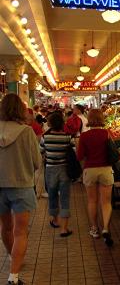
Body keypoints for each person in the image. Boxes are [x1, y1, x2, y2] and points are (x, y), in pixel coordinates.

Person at [0, 93, 41, 285]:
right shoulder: (27, 132)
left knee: (5, 227)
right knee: (20, 232)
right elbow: (36, 162)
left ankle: (11, 256)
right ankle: (13, 276)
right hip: (22, 185)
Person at [77, 109, 114, 246]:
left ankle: (94, 229)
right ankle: (106, 228)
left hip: (90, 170)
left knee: (92, 201)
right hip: (106, 169)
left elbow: (80, 156)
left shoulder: (84, 136)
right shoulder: (107, 133)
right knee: (106, 202)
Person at [40, 112, 73, 237]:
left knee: (52, 195)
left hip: (50, 169)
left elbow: (41, 150)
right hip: (64, 169)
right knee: (65, 198)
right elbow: (72, 151)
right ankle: (64, 229)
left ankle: (55, 220)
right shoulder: (67, 136)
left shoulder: (45, 137)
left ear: (50, 123)